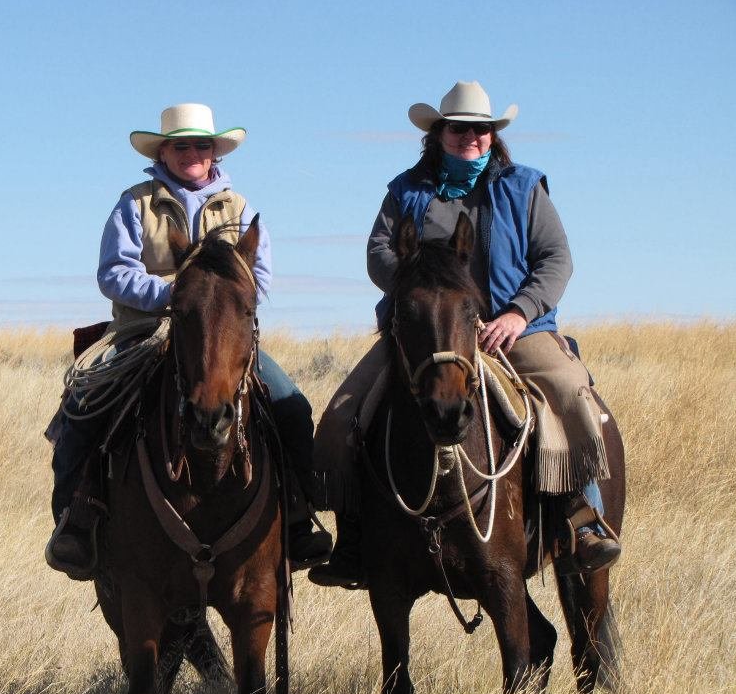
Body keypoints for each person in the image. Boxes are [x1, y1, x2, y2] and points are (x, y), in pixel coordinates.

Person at [308, 81, 621, 588]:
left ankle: (582, 519)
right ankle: (354, 542)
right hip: (425, 333)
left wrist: (519, 312)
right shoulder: (406, 190)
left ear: (493, 136)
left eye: (480, 129)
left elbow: (556, 260)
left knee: (569, 394)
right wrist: (419, 294)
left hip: (512, 331)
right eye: (459, 129)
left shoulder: (524, 187)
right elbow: (378, 251)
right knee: (345, 412)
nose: (469, 137)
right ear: (438, 134)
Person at [45, 103, 331, 580]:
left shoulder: (238, 208)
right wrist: (171, 295)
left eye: (201, 145)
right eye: (182, 146)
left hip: (222, 336)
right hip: (143, 329)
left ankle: (299, 515)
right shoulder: (136, 202)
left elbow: (258, 278)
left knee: (290, 406)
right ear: (164, 151)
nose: (192, 153)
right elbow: (113, 272)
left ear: (214, 151)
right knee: (84, 402)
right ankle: (77, 518)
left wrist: (214, 302)